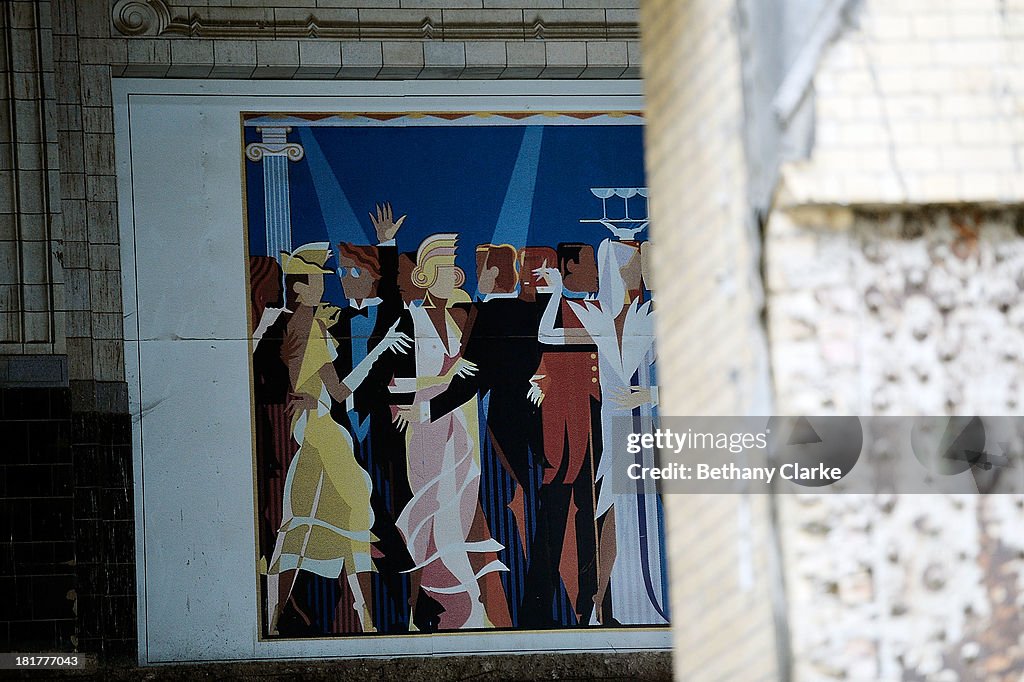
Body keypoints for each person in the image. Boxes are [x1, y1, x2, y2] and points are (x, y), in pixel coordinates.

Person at [266, 242, 412, 635]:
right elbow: (341, 391)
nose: (324, 287)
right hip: (322, 427)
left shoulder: (301, 323)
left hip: (313, 425)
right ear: (299, 287)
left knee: (304, 522)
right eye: (318, 281)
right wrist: (380, 349)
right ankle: (365, 621)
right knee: (355, 514)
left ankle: (279, 618)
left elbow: (316, 387)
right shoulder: (309, 327)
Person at [534, 238, 667, 626]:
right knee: (613, 515)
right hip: (614, 431)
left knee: (653, 511)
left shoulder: (651, 313)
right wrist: (556, 291)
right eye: (628, 262)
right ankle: (599, 605)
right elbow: (547, 335)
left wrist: (654, 393)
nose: (634, 268)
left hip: (645, 426)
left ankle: (651, 595)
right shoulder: (596, 318)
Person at [422, 243, 547, 624]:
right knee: (533, 516)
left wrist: (427, 409)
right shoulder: (536, 308)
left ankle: (520, 606)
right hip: (538, 430)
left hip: (508, 432)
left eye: (484, 269)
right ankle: (533, 605)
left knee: (511, 516)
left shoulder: (494, 313)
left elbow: (471, 379)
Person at [393, 234, 510, 630]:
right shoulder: (411, 319)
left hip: (459, 429)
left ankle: (468, 610)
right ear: (426, 276)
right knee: (430, 514)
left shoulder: (456, 318)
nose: (454, 275)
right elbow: (394, 383)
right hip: (426, 429)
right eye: (445, 269)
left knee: (458, 515)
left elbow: (474, 372)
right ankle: (428, 609)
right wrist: (441, 375)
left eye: (454, 267)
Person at [521, 242, 603, 627]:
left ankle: (592, 607)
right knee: (553, 520)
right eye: (589, 263)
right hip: (565, 434)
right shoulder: (560, 310)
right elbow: (546, 353)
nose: (598, 272)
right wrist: (542, 382)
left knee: (593, 521)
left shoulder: (604, 311)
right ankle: (537, 609)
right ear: (570, 266)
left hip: (597, 427)